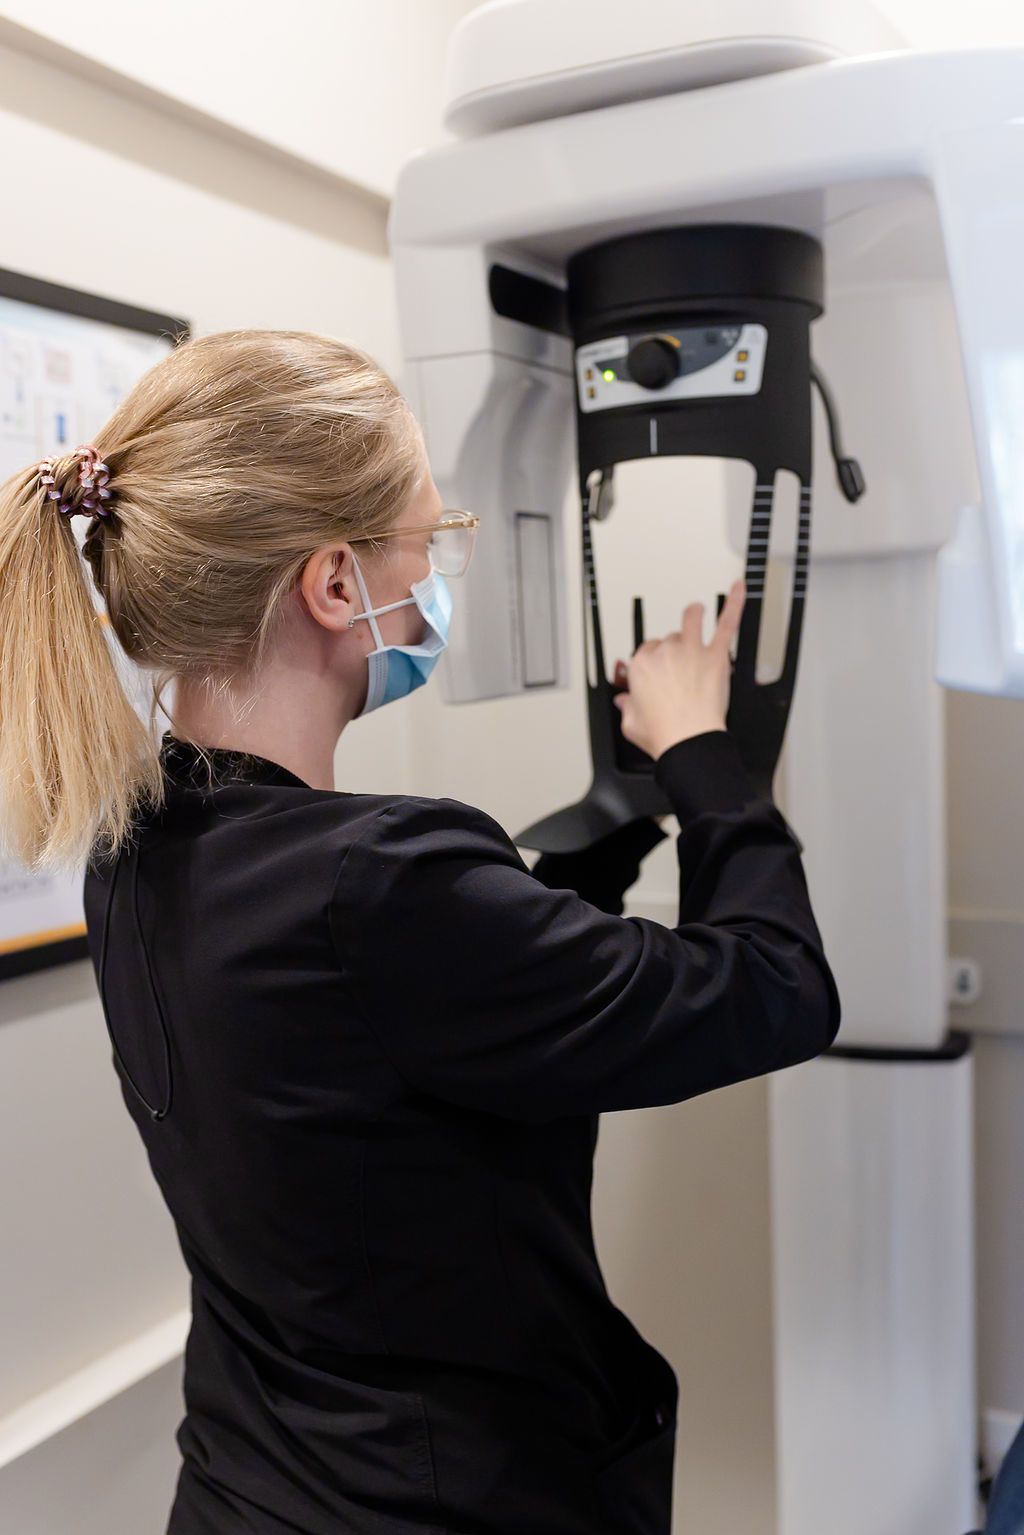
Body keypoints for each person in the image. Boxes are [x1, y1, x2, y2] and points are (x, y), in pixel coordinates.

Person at [0, 329, 840, 1535]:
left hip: (253, 1488)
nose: (438, 574)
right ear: (337, 583)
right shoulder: (379, 882)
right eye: (430, 542)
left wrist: (624, 818)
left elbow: (416, 1017)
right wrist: (705, 754)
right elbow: (777, 987)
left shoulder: (139, 851)